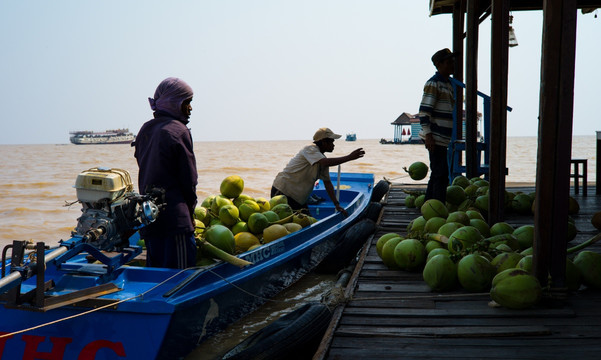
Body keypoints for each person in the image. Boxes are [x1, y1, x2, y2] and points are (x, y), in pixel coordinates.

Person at [133, 77, 198, 269]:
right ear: (175, 103)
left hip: (150, 218)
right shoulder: (179, 131)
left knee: (156, 276)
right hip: (174, 222)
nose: (190, 108)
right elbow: (189, 180)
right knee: (179, 279)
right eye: (187, 103)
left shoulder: (146, 129)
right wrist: (190, 213)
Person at [271, 127, 365, 215]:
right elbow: (325, 162)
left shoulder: (321, 159)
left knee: (306, 224)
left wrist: (336, 204)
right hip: (283, 191)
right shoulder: (310, 148)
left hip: (299, 199)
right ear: (323, 142)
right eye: (331, 142)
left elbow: (327, 183)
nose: (333, 145)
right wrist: (349, 157)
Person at [418, 48, 456, 202]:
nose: (453, 65)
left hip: (441, 138)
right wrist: (428, 135)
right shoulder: (434, 84)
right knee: (441, 174)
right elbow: (424, 111)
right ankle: (436, 205)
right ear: (439, 64)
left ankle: (429, 204)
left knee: (438, 173)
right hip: (434, 136)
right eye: (449, 62)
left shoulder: (447, 84)